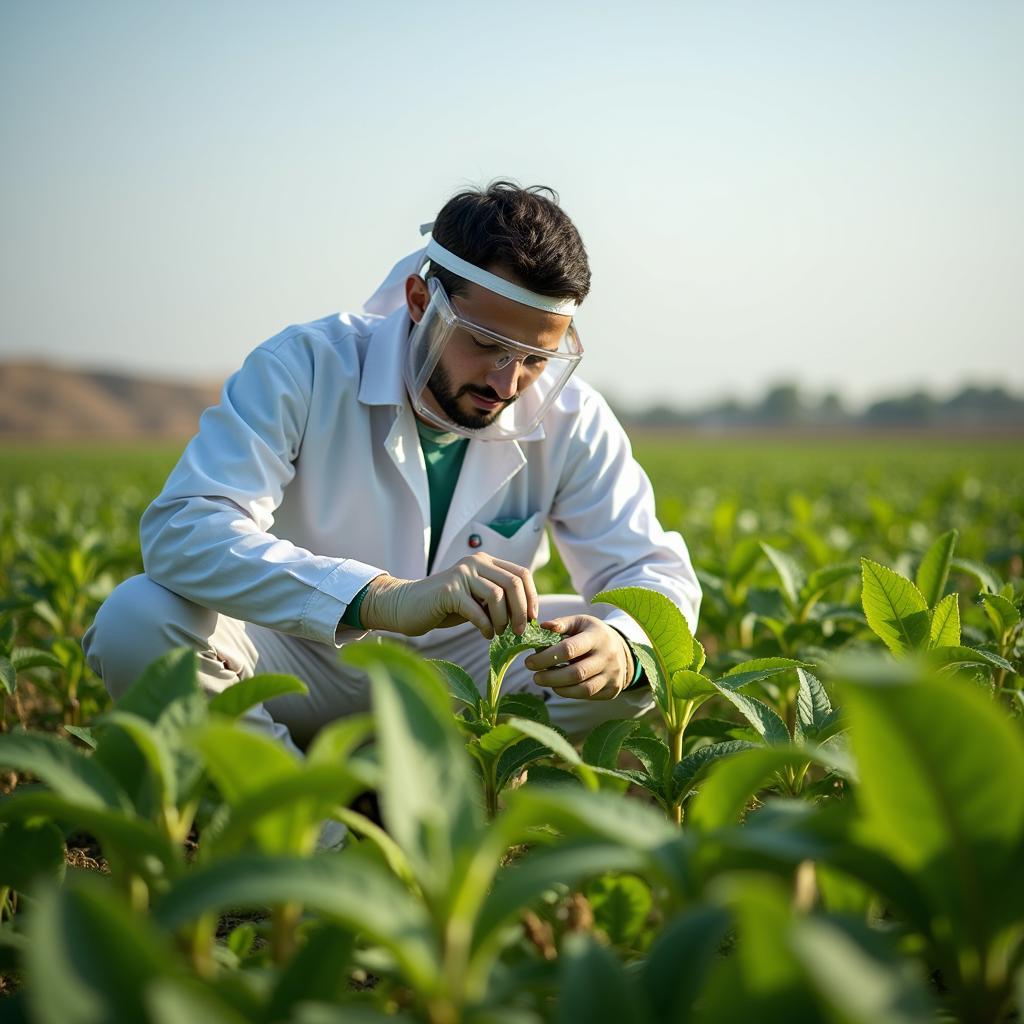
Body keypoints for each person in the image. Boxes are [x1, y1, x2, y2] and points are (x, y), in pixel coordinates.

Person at [83, 181, 701, 757]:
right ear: (418, 301)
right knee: (136, 621)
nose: (507, 382)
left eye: (536, 357)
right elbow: (185, 529)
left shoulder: (572, 418)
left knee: (631, 667)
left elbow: (650, 571)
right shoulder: (306, 367)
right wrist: (377, 599)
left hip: (466, 677)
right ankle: (305, 836)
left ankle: (453, 814)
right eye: (485, 343)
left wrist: (622, 649)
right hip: (302, 657)